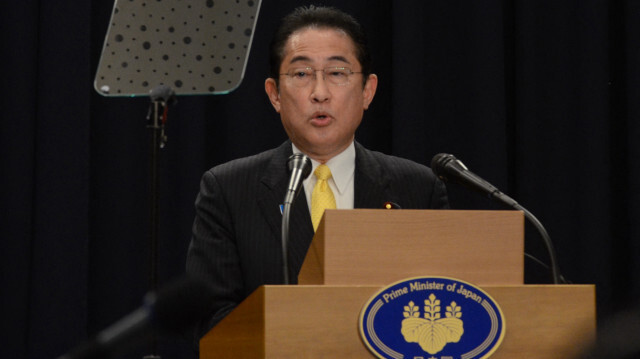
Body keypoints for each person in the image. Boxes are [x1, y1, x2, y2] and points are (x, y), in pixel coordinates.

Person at [185, 5, 449, 342]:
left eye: (337, 73)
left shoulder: (417, 188)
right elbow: (210, 320)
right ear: (274, 94)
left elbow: (439, 304)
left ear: (367, 90)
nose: (319, 92)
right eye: (301, 74)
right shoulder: (228, 190)